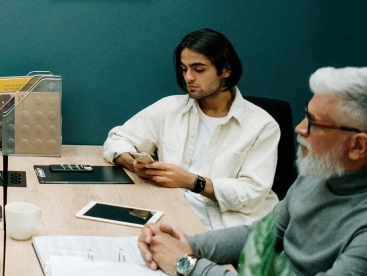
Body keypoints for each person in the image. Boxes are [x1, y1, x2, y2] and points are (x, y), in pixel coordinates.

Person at [138, 67, 367, 276]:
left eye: (314, 122)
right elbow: (260, 234)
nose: (299, 128)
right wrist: (185, 244)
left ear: (358, 146)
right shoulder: (320, 174)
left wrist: (187, 264)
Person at [103, 29, 280, 230]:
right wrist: (133, 163)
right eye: (184, 69)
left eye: (199, 69)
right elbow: (116, 139)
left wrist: (193, 182)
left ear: (226, 70)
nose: (188, 77)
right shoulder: (169, 108)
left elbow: (251, 194)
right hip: (171, 213)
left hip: (228, 227)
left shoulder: (262, 125)